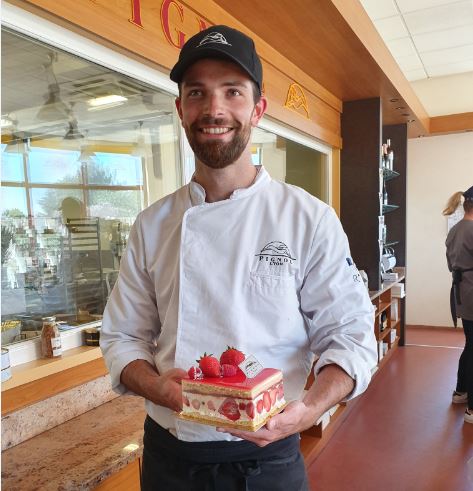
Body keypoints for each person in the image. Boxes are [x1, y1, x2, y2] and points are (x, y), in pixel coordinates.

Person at [100, 25, 377, 490]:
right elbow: (123, 337)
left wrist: (307, 409)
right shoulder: (151, 225)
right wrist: (158, 386)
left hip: (265, 459)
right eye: (197, 93)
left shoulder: (307, 218)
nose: (214, 109)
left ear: (258, 109)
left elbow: (350, 336)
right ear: (180, 109)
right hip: (170, 455)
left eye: (232, 92)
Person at [444, 186, 473, 425]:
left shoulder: (455, 230)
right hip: (472, 292)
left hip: (461, 294)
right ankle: (472, 408)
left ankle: (461, 391)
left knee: (470, 344)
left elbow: (450, 265)